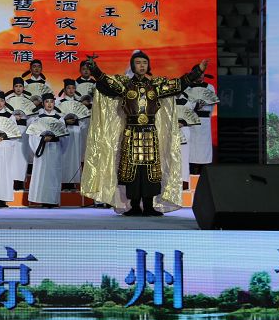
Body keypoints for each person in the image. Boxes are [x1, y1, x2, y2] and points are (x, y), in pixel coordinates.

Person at [81, 51, 208, 216]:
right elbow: (106, 82)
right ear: (133, 66)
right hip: (131, 133)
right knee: (131, 172)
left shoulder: (156, 86)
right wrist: (95, 70)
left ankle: (149, 206)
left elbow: (179, 84)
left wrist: (197, 71)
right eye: (138, 62)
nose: (142, 65)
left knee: (150, 171)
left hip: (150, 134)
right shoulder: (125, 86)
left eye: (144, 63)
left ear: (148, 66)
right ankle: (134, 206)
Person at [27, 93, 64, 208]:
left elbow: (64, 136)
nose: (49, 104)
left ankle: (53, 200)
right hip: (42, 149)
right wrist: (43, 139)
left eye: (51, 102)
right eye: (47, 102)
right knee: (42, 174)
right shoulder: (37, 119)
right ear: (43, 103)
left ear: (54, 103)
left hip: (55, 149)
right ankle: (42, 199)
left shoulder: (60, 119)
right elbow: (33, 135)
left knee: (53, 174)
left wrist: (54, 138)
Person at [5, 77, 33, 188]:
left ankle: (20, 182)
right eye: (16, 86)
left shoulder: (28, 102)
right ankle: (10, 181)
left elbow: (32, 118)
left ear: (23, 88)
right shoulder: (8, 101)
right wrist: (13, 118)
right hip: (12, 131)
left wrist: (24, 117)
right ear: (13, 88)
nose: (18, 88)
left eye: (20, 86)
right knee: (11, 156)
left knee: (22, 156)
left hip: (24, 132)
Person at [186, 76, 217, 174]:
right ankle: (192, 173)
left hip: (204, 121)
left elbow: (212, 106)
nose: (200, 76)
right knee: (191, 149)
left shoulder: (210, 87)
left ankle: (203, 172)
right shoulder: (187, 88)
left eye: (202, 73)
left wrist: (206, 116)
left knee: (204, 149)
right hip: (191, 120)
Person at [57, 79, 84, 189]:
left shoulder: (79, 104)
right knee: (64, 157)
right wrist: (65, 121)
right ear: (64, 90)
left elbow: (83, 119)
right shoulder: (59, 103)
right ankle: (63, 182)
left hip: (76, 132)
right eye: (68, 88)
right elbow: (57, 119)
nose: (71, 90)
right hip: (65, 133)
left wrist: (77, 121)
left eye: (73, 88)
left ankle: (73, 182)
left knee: (75, 157)